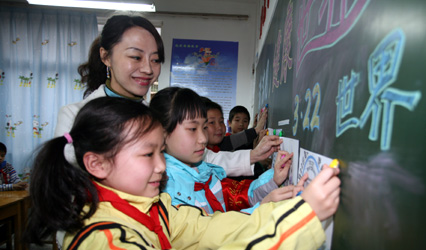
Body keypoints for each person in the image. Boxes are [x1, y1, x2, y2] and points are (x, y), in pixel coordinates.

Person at [26, 97, 341, 250]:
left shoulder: (152, 206)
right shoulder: (100, 247)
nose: (162, 166)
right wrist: (301, 222)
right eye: (148, 154)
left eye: (160, 152)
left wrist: (291, 212)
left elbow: (210, 228)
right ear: (97, 163)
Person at [54, 14, 279, 178]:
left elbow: (202, 157)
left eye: (155, 60)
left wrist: (253, 155)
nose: (147, 69)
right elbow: (65, 190)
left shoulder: (155, 115)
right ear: (106, 57)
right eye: (135, 57)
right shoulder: (74, 117)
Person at [150, 87, 296, 214]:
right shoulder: (165, 192)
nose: (203, 138)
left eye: (203, 127)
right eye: (193, 129)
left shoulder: (204, 172)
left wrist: (273, 179)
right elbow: (210, 232)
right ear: (162, 133)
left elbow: (236, 195)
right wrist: (262, 208)